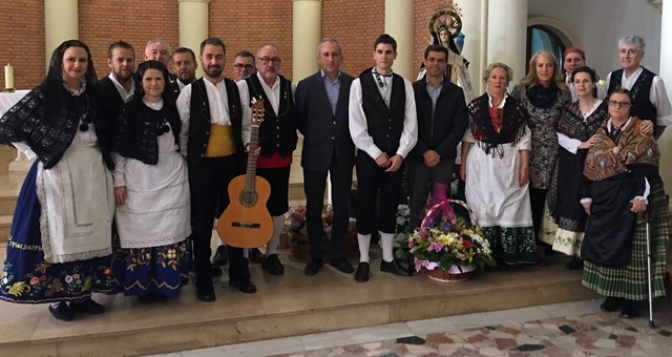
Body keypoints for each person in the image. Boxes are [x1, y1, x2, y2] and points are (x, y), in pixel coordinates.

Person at [0, 40, 116, 321]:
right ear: (60, 62)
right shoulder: (46, 93)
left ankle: (82, 294)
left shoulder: (93, 95)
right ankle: (57, 299)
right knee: (56, 234)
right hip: (58, 172)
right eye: (71, 60)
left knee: (91, 232)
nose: (77, 65)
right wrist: (38, 153)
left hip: (92, 172)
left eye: (83, 61)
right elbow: (8, 125)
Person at [176, 37, 256, 302]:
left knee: (235, 218)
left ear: (225, 59)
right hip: (202, 167)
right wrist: (192, 163)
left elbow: (245, 126)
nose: (214, 61)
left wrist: (248, 144)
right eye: (209, 56)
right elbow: (183, 132)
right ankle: (203, 278)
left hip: (231, 164)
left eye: (219, 56)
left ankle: (238, 274)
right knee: (201, 223)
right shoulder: (190, 92)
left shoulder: (238, 89)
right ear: (201, 60)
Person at [581, 88, 669, 318]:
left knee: (631, 249)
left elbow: (647, 167)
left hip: (635, 194)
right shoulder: (600, 134)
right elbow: (591, 164)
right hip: (606, 197)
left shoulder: (642, 133)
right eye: (613, 103)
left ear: (630, 107)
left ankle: (630, 299)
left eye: (623, 104)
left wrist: (642, 197)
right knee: (609, 245)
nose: (617, 107)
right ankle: (613, 294)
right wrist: (587, 195)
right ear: (608, 106)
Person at [111, 61, 191, 303]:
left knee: (171, 229)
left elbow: (183, 137)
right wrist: (119, 181)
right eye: (149, 80)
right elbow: (119, 149)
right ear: (141, 82)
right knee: (140, 230)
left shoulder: (173, 108)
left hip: (173, 176)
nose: (154, 83)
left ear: (165, 81)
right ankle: (142, 285)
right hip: (139, 178)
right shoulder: (130, 110)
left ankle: (167, 284)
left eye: (158, 79)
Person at [349, 34, 417, 282]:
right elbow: (356, 125)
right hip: (369, 157)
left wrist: (400, 154)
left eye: (389, 52)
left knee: (390, 204)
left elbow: (411, 124)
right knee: (365, 204)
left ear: (395, 55)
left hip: (396, 158)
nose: (384, 56)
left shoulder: (405, 85)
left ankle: (388, 259)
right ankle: (365, 260)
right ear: (374, 54)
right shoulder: (359, 83)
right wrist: (376, 153)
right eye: (380, 51)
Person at [461, 63, 535, 269]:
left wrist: (524, 166)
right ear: (487, 80)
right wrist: (463, 164)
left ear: (508, 81)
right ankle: (483, 254)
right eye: (494, 77)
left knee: (510, 204)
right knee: (481, 204)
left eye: (502, 78)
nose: (498, 81)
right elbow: (468, 137)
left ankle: (508, 256)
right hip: (481, 162)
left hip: (509, 162)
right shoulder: (475, 106)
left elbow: (524, 139)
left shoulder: (517, 108)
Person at [295, 38, 355, 276]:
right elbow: (300, 119)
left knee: (341, 207)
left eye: (334, 54)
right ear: (318, 58)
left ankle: (338, 255)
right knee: (313, 208)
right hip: (315, 153)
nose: (330, 59)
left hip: (343, 152)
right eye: (326, 55)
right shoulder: (306, 85)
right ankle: (315, 256)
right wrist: (319, 136)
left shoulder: (353, 84)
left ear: (341, 57)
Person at [237, 44, 298, 277]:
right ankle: (243, 254)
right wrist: (247, 142)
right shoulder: (243, 87)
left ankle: (271, 254)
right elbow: (241, 122)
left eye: (274, 60)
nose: (270, 64)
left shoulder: (289, 87)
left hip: (282, 157)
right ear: (257, 63)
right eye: (264, 59)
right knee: (250, 206)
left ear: (280, 62)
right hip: (255, 159)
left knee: (278, 206)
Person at [510, 50, 570, 265]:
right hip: (528, 151)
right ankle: (528, 244)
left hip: (554, 151)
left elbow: (567, 122)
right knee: (530, 197)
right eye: (540, 65)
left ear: (555, 68)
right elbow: (512, 119)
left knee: (550, 197)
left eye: (549, 65)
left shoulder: (563, 92)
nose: (544, 69)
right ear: (533, 68)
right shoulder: (521, 91)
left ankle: (547, 241)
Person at [212, 49, 262, 268]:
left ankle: (250, 244)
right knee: (226, 202)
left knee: (248, 199)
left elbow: (248, 125)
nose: (243, 70)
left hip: (249, 153)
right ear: (232, 68)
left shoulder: (253, 93)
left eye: (248, 67)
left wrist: (252, 143)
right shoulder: (225, 90)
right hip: (226, 157)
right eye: (239, 66)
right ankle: (223, 244)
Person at [408, 44, 467, 229]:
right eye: (432, 59)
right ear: (425, 61)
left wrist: (438, 153)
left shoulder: (455, 93)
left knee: (440, 201)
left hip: (444, 159)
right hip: (418, 157)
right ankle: (414, 244)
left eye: (440, 60)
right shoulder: (412, 90)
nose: (436, 64)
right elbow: (408, 124)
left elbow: (459, 127)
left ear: (445, 64)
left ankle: (436, 246)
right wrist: (425, 151)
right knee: (416, 201)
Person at [606, 35, 672, 139]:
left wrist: (651, 140)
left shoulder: (654, 81)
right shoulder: (612, 77)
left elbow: (664, 119)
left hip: (641, 146)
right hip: (613, 143)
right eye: (623, 51)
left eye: (632, 51)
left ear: (641, 55)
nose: (626, 56)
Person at [98, 41, 136, 119]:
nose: (125, 64)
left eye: (129, 60)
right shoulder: (98, 91)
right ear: (109, 62)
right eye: (120, 60)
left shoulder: (142, 89)